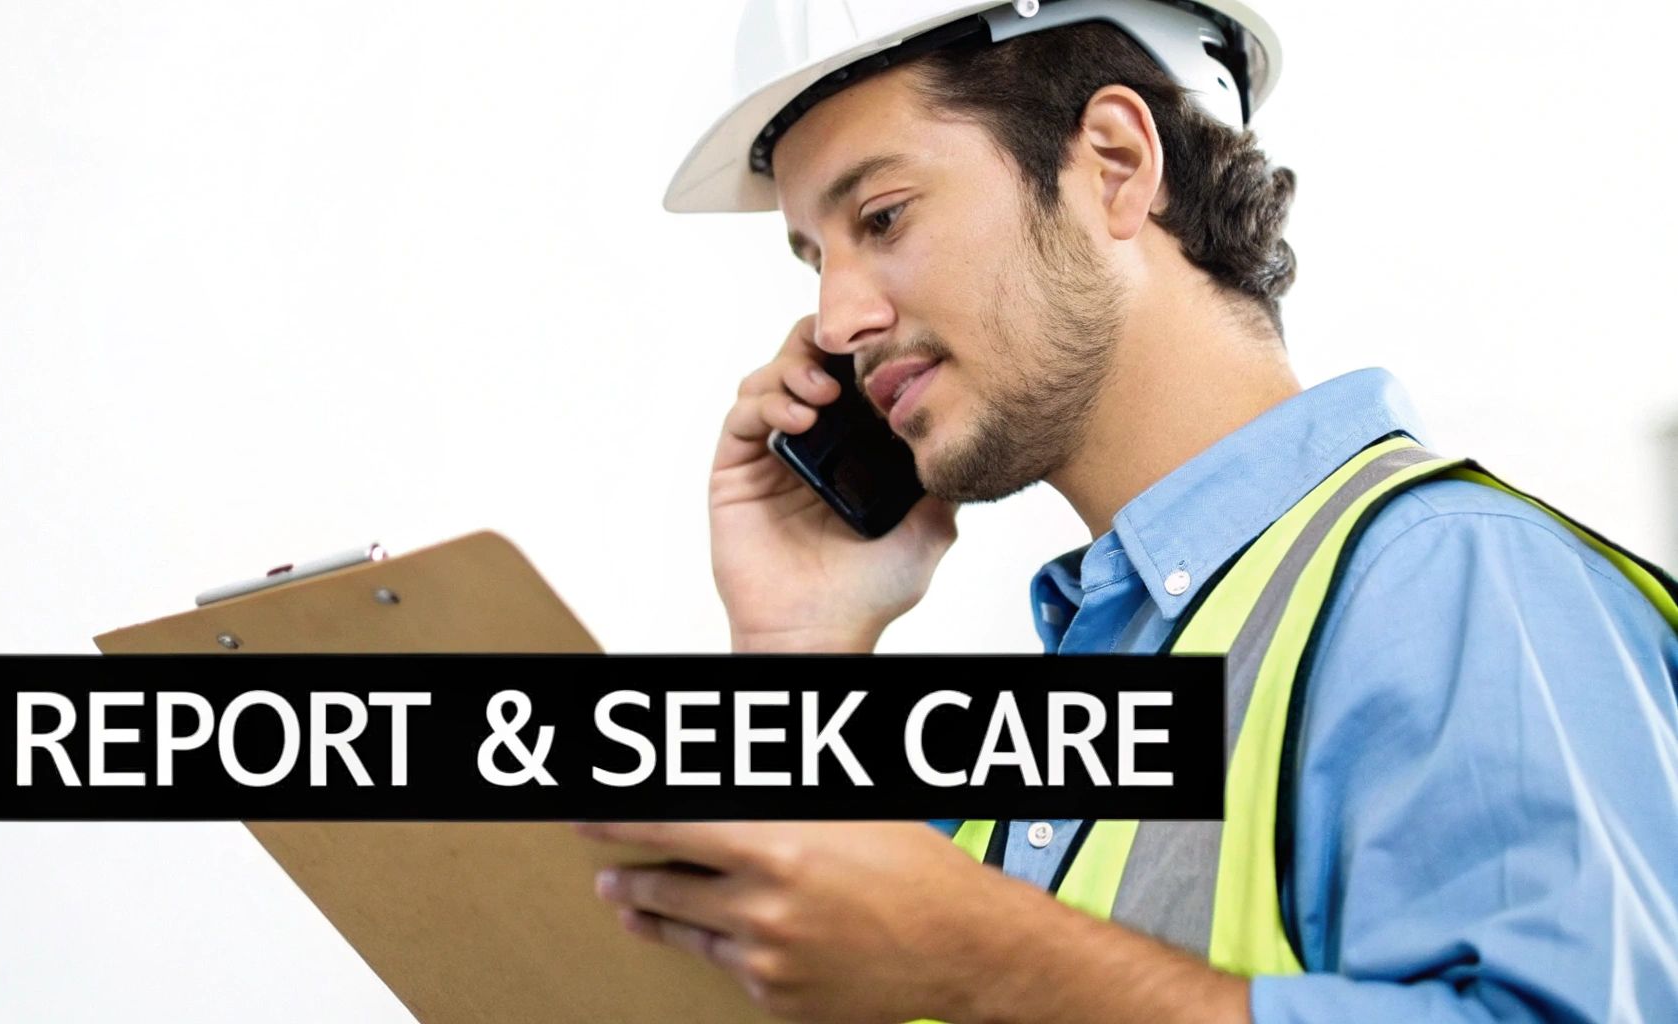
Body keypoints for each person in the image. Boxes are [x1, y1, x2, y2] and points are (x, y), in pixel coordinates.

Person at [576, 2, 1678, 1021]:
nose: (836, 320)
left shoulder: (1451, 579)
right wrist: (800, 646)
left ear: (1113, 163)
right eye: (815, 259)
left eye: (882, 217)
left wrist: (990, 957)